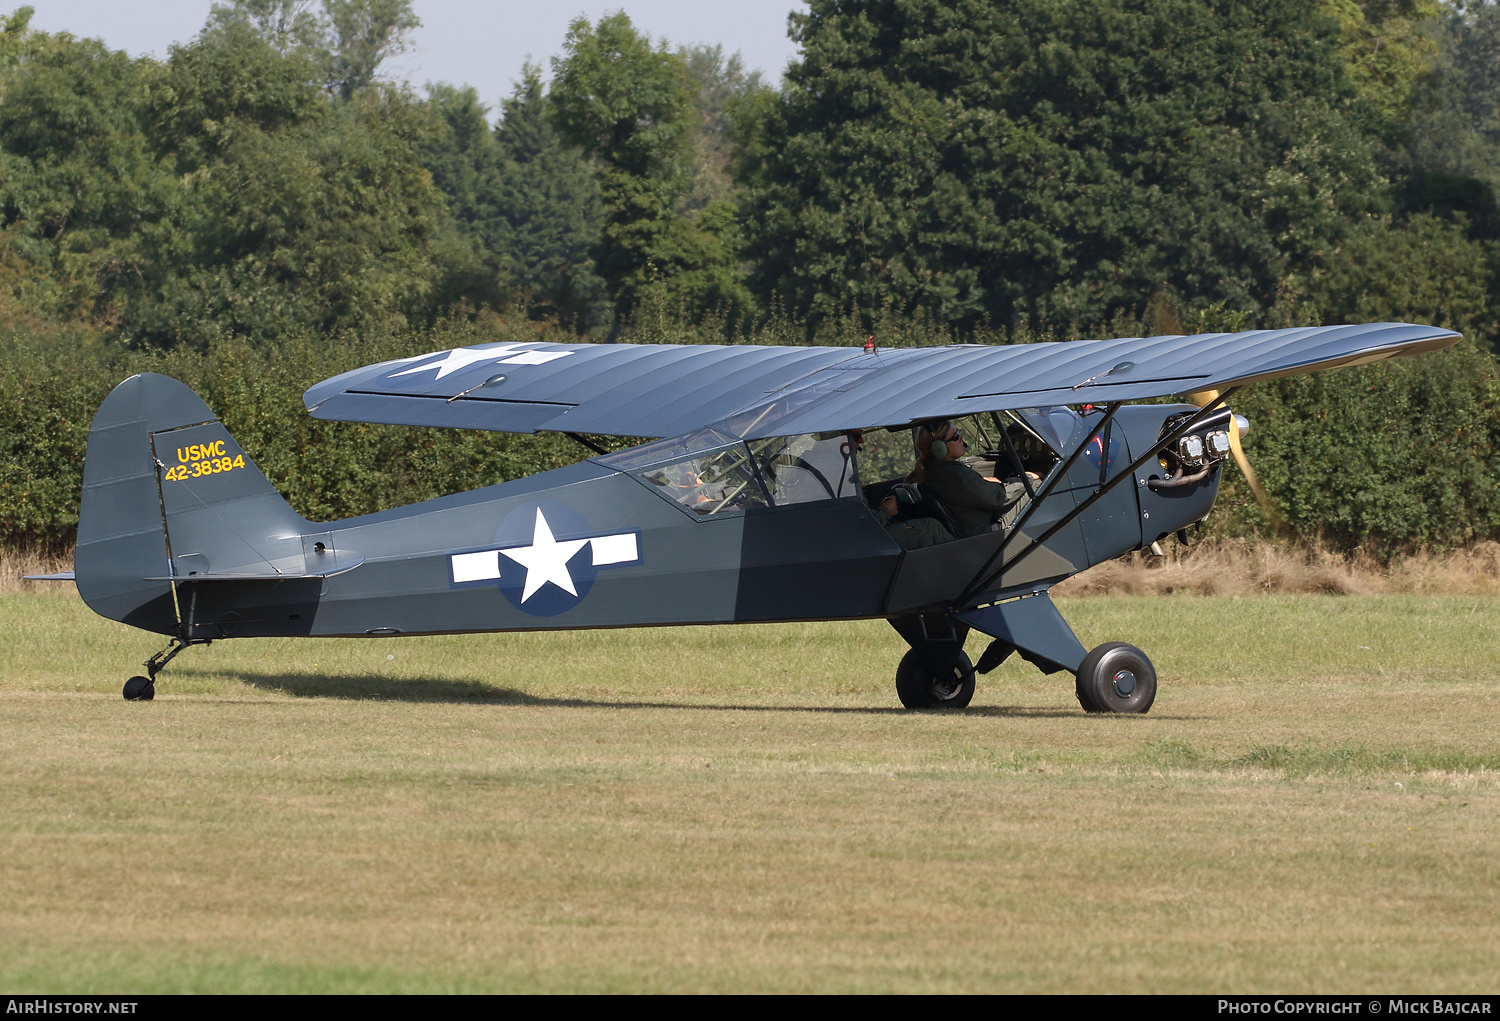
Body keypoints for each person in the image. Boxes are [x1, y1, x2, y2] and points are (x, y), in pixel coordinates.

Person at [907, 420, 1036, 538]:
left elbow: (967, 489)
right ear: (939, 448)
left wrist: (982, 483)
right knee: (1040, 485)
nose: (961, 438)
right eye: (956, 437)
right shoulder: (957, 477)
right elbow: (999, 497)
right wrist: (1028, 477)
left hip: (967, 530)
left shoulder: (930, 470)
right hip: (985, 534)